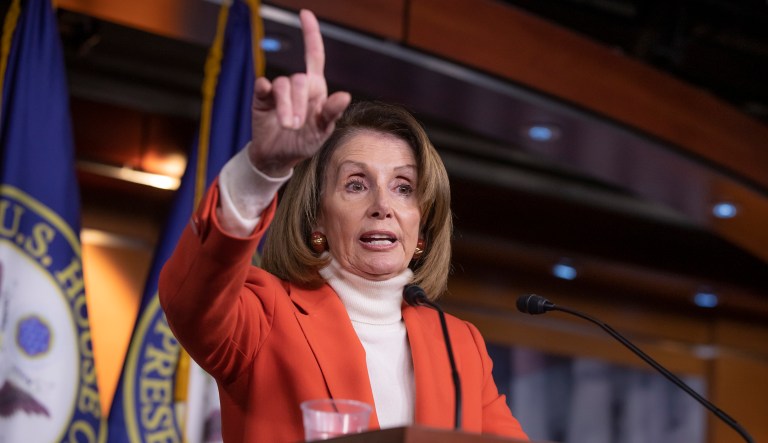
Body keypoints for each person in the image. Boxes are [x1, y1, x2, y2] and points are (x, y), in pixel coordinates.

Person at [159, 9, 528, 443]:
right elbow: (189, 302)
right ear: (316, 216)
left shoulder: (458, 344)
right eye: (356, 184)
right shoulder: (267, 315)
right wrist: (260, 172)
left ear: (423, 227)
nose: (382, 205)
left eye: (404, 188)